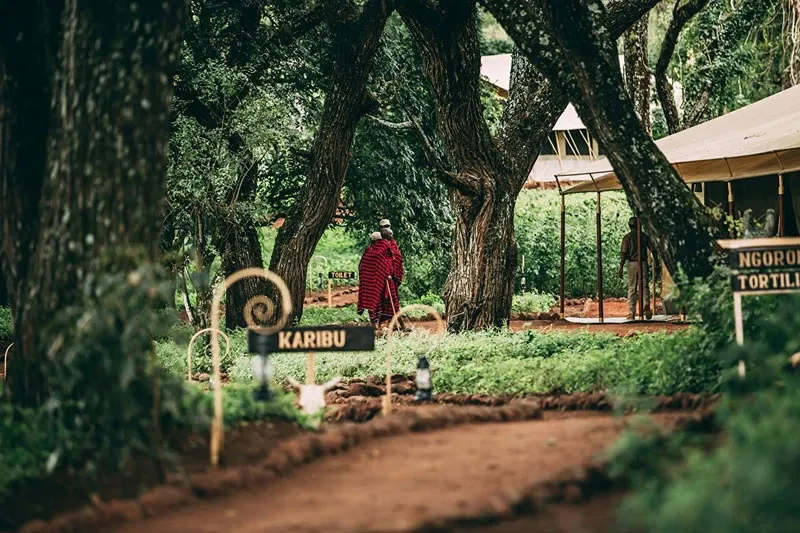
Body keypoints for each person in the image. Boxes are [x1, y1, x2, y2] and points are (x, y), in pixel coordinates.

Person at [618, 217, 654, 320]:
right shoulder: (644, 237)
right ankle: (646, 305)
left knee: (632, 288)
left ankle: (631, 312)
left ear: (630, 226)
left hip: (633, 264)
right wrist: (655, 262)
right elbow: (653, 250)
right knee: (644, 286)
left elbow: (623, 254)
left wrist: (621, 268)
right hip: (643, 263)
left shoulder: (627, 238)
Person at [357, 232, 394, 328]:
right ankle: (377, 325)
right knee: (378, 301)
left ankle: (374, 324)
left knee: (372, 302)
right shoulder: (382, 250)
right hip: (378, 281)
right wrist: (387, 274)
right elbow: (386, 265)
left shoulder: (368, 251)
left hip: (367, 281)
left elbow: (361, 266)